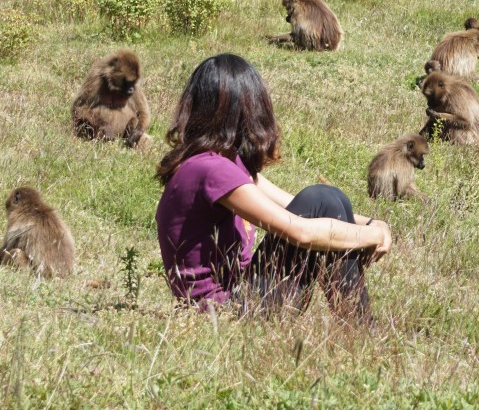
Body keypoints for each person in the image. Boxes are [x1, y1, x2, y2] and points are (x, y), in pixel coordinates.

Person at [155, 53, 390, 322]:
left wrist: (374, 223)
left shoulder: (219, 164)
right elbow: (299, 231)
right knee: (322, 197)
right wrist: (371, 237)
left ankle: (358, 326)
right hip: (223, 316)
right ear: (250, 108)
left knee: (329, 198)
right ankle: (360, 328)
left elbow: (288, 204)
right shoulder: (211, 170)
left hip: (240, 302)